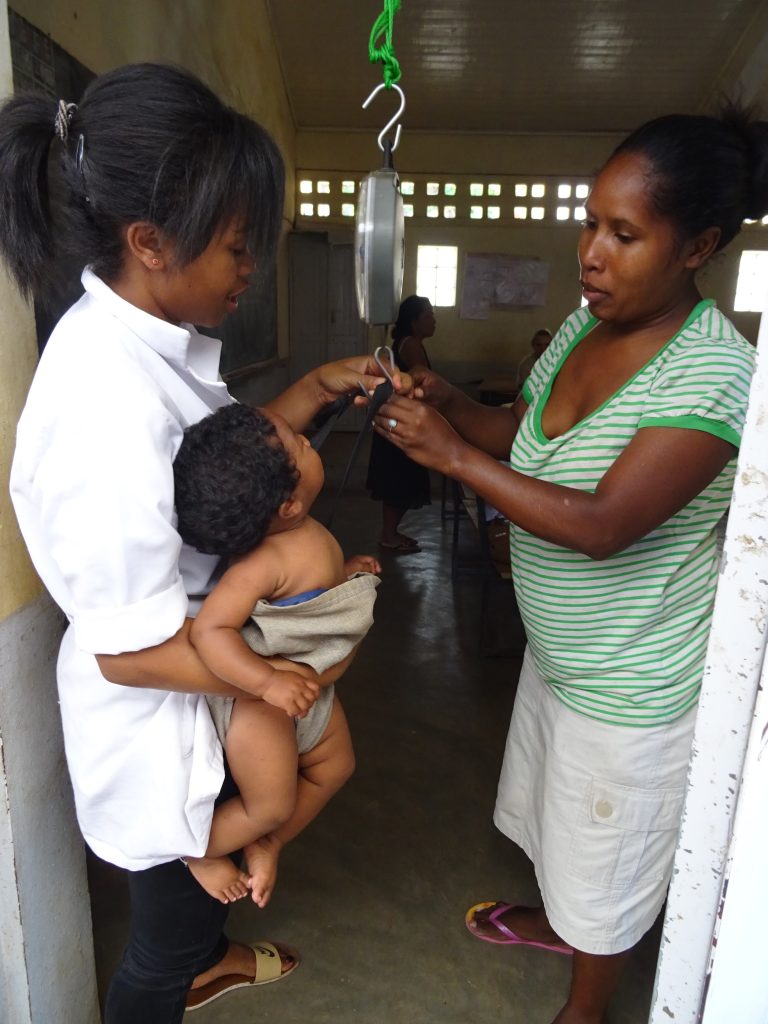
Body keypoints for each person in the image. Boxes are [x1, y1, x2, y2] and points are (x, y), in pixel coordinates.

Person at [2, 63, 403, 1023]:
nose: (249, 269)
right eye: (234, 249)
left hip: (202, 692)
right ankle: (185, 972)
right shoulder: (103, 399)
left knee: (197, 899)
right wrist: (284, 671)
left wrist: (307, 392)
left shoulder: (143, 344)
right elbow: (133, 652)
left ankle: (211, 950)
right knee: (160, 949)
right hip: (162, 721)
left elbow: (219, 473)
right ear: (149, 242)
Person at [373, 107, 763, 1024]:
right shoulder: (583, 331)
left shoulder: (713, 373)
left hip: (632, 686)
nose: (591, 252)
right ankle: (563, 915)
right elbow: (521, 438)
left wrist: (453, 457)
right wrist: (451, 402)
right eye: (590, 222)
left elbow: (604, 525)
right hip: (563, 664)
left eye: (623, 234)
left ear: (696, 245)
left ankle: (586, 1007)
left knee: (614, 858)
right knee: (564, 830)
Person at [171, 402, 380, 907]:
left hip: (299, 692)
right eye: (299, 445)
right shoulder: (260, 564)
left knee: (337, 766)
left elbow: (306, 596)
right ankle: (197, 849)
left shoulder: (299, 532)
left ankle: (269, 842)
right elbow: (211, 632)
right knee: (269, 802)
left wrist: (343, 576)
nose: (309, 442)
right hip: (256, 704)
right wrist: (265, 682)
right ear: (288, 503)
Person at [366, 294, 436, 552]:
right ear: (415, 321)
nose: (434, 321)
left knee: (401, 482)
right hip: (400, 421)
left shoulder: (409, 343)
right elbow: (424, 381)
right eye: (429, 316)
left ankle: (391, 532)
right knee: (399, 481)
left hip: (398, 419)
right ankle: (389, 535)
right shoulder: (411, 346)